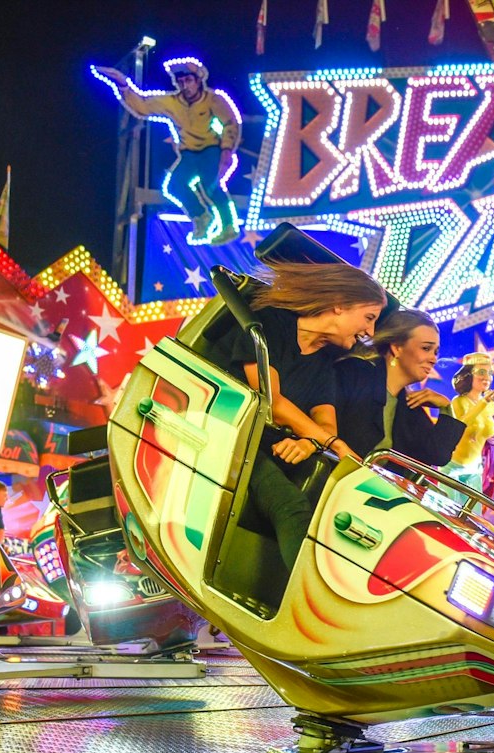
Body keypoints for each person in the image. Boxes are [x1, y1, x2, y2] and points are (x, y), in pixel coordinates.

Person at [195, 257, 385, 573]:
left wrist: (311, 444)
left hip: (264, 448)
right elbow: (273, 402)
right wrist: (334, 445)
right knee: (291, 507)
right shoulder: (270, 324)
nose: (370, 330)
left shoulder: (323, 364)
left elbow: (325, 423)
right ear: (339, 305)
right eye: (368, 317)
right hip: (227, 435)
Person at [92, 58, 242, 246]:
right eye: (180, 82)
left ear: (198, 81)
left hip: (211, 150)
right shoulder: (172, 102)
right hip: (189, 153)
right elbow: (143, 106)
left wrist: (227, 149)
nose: (185, 86)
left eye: (188, 81)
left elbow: (230, 123)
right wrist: (122, 84)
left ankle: (228, 225)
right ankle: (201, 216)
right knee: (174, 186)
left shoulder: (214, 99)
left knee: (210, 185)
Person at [333, 308, 466, 469]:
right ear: (397, 347)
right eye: (426, 348)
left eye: (436, 352)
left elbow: (437, 454)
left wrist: (446, 407)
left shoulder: (409, 404)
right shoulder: (357, 372)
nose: (433, 359)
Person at [443, 353, 494, 493]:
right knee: (450, 512)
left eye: (490, 373)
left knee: (473, 513)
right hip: (453, 467)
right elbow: (460, 425)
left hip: (475, 468)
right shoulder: (459, 402)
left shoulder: (491, 406)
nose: (487, 377)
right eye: (481, 372)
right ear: (468, 375)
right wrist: (483, 402)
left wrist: (486, 402)